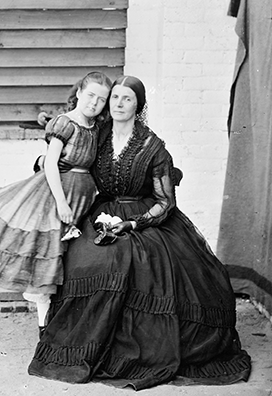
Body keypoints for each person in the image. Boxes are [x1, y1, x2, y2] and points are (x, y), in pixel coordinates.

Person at [28, 75, 251, 389]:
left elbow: (165, 201)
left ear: (139, 106)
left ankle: (134, 350)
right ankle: (85, 343)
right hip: (100, 210)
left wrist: (133, 224)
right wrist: (44, 156)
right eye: (114, 98)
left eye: (127, 99)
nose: (118, 104)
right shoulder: (98, 135)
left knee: (137, 259)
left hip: (144, 217)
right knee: (90, 256)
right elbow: (69, 153)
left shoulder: (152, 145)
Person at [0, 71, 112, 337]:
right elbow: (51, 164)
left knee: (69, 260)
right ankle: (44, 328)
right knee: (45, 256)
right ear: (79, 92)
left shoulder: (95, 129)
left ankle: (63, 321)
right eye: (90, 95)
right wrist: (61, 203)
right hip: (55, 195)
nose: (94, 103)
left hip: (82, 197)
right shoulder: (65, 123)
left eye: (101, 100)